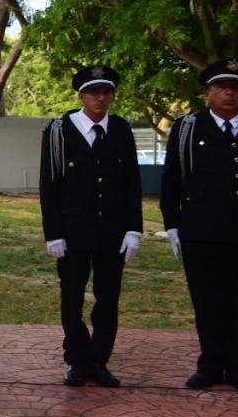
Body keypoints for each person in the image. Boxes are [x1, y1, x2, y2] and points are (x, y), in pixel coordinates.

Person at [39, 66, 143, 388]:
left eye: (106, 92)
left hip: (112, 231)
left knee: (108, 297)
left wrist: (133, 229)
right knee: (72, 297)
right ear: (81, 95)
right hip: (72, 231)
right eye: (94, 92)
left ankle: (99, 361)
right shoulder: (57, 131)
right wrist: (53, 232)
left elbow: (131, 184)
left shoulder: (122, 130)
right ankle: (77, 360)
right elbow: (49, 185)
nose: (101, 98)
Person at [160, 58, 238, 389]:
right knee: (206, 301)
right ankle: (209, 364)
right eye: (222, 88)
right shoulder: (187, 128)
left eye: (235, 89)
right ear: (208, 93)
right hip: (200, 231)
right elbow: (171, 181)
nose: (230, 94)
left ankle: (235, 366)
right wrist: (172, 225)